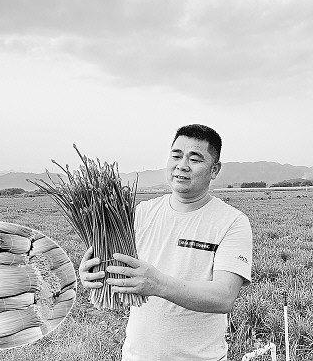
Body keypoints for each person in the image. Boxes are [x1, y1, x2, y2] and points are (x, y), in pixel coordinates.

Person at [79, 124, 253, 361]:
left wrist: (157, 284)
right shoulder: (140, 213)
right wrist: (92, 273)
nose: (182, 165)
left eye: (195, 158)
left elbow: (224, 296)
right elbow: (116, 266)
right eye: (176, 155)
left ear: (215, 170)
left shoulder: (232, 222)